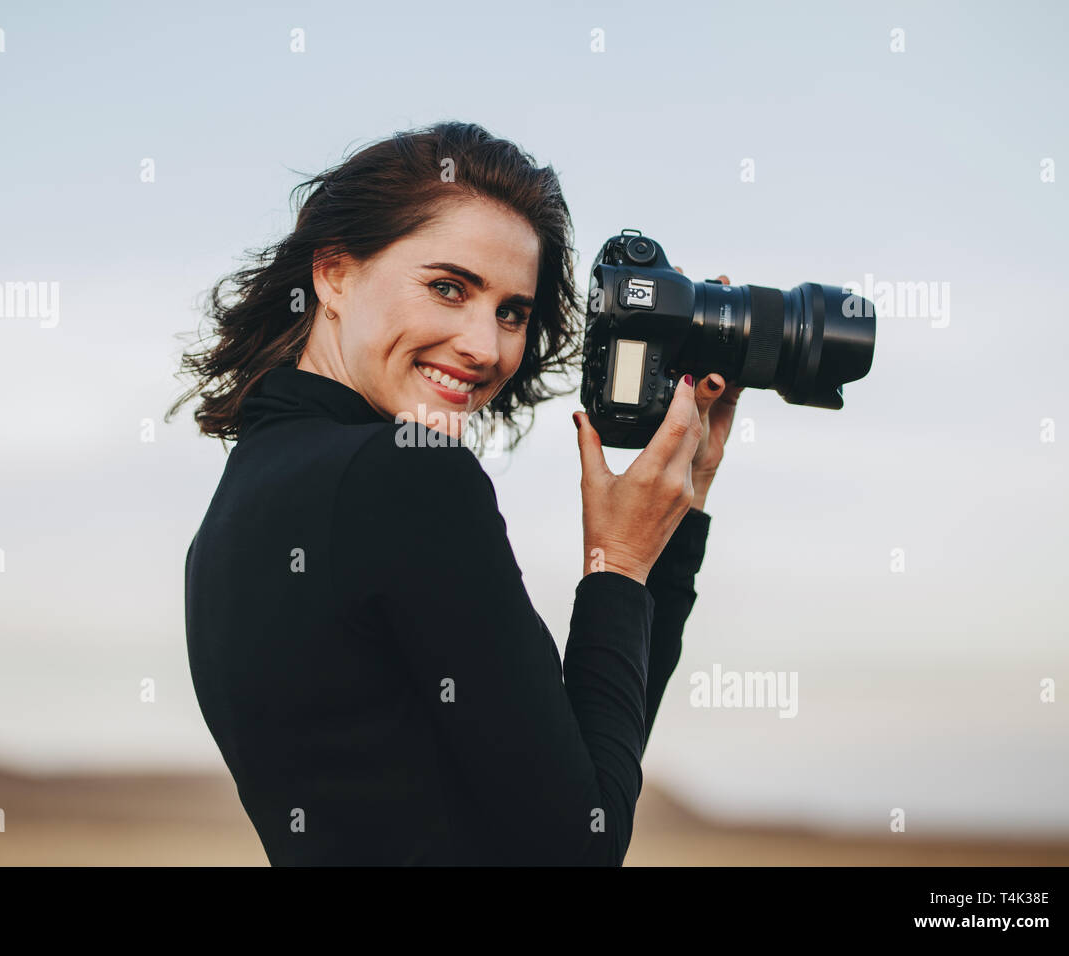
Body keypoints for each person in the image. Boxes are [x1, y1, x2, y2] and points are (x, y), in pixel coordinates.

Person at [170, 121, 742, 865]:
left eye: (512, 312)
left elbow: (584, 776)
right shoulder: (408, 476)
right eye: (448, 288)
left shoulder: (238, 504)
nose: (485, 345)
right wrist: (622, 567)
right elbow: (580, 846)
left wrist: (668, 526)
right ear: (334, 274)